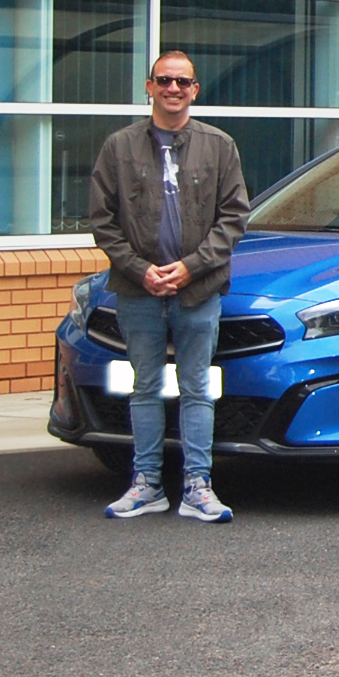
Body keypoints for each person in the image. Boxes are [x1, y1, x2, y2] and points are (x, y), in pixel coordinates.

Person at [87, 51, 252, 524]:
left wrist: (190, 268)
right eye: (165, 80)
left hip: (197, 291)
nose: (173, 89)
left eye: (183, 82)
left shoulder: (220, 146)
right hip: (138, 290)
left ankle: (198, 486)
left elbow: (233, 218)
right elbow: (103, 220)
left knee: (197, 387)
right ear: (149, 86)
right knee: (144, 388)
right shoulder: (118, 147)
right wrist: (141, 269)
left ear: (195, 90)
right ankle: (147, 485)